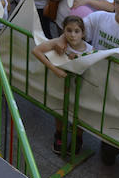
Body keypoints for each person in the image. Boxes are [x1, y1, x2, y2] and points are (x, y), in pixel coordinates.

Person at [32, 15, 93, 155]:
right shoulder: (59, 43)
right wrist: (55, 69)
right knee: (59, 110)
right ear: (63, 31)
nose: (72, 35)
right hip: (62, 88)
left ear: (83, 33)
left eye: (77, 31)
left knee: (80, 114)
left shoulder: (89, 49)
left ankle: (78, 138)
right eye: (69, 30)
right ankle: (59, 134)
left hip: (81, 89)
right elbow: (36, 51)